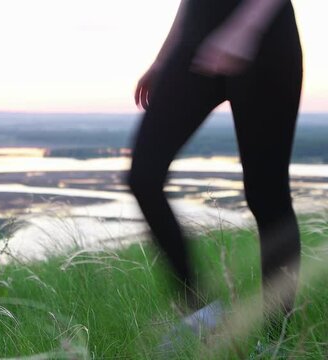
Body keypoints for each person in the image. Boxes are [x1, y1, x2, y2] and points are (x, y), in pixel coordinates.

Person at [128, 0, 302, 337]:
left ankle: (277, 338)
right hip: (195, 41)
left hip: (266, 39)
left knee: (267, 197)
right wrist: (164, 58)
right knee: (143, 177)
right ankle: (201, 313)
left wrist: (244, 28)